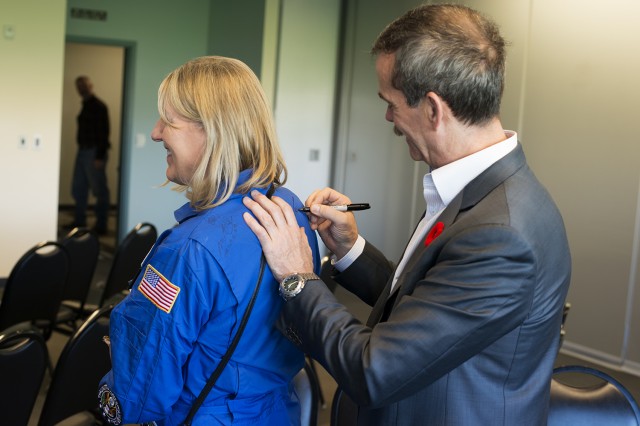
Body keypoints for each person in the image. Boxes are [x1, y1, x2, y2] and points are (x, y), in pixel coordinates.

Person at [242, 4, 571, 425]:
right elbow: (427, 308)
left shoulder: (500, 233)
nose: (388, 118)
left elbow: (374, 370)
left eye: (391, 103)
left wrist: (297, 278)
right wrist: (350, 251)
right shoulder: (485, 194)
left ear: (433, 109)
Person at [97, 56, 320, 425]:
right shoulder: (291, 213)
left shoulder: (189, 250)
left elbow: (139, 394)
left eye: (168, 121)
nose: (155, 133)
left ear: (213, 131)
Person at [69, 76, 111, 235]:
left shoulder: (99, 106)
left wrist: (99, 156)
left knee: (99, 190)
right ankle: (79, 222)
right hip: (82, 151)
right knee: (78, 188)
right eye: (78, 86)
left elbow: (104, 133)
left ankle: (102, 225)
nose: (81, 89)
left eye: (83, 85)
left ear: (90, 85)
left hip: (94, 152)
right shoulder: (85, 105)